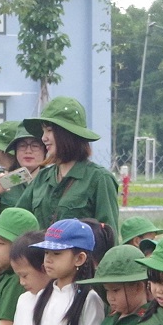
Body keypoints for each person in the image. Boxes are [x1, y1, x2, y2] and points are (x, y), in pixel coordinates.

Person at [21, 97, 119, 235]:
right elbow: (15, 223)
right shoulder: (42, 178)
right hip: (41, 257)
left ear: (67, 133)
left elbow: (108, 236)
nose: (44, 138)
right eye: (43, 131)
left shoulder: (99, 179)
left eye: (49, 130)